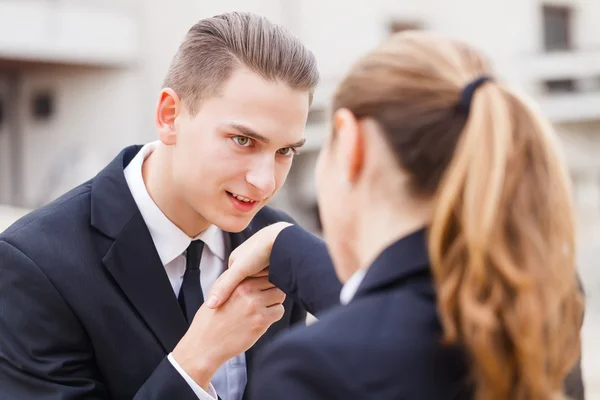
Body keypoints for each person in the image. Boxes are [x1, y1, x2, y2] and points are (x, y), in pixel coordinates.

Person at [207, 31, 586, 399]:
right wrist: (285, 246)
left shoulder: (311, 370)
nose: (264, 179)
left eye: (290, 151)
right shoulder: (545, 302)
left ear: (351, 142)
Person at [0, 12, 320, 400]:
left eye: (284, 150)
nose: (265, 181)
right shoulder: (35, 265)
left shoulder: (276, 241)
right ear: (170, 116)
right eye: (243, 141)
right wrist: (198, 358)